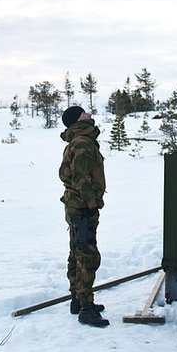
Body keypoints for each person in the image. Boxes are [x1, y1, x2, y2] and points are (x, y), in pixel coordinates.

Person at [59, 105, 109, 327]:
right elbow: (81, 179)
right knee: (87, 256)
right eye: (84, 113)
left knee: (77, 252)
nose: (89, 114)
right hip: (82, 208)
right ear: (78, 119)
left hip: (76, 206)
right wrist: (91, 203)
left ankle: (77, 300)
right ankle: (86, 308)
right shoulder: (81, 143)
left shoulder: (79, 141)